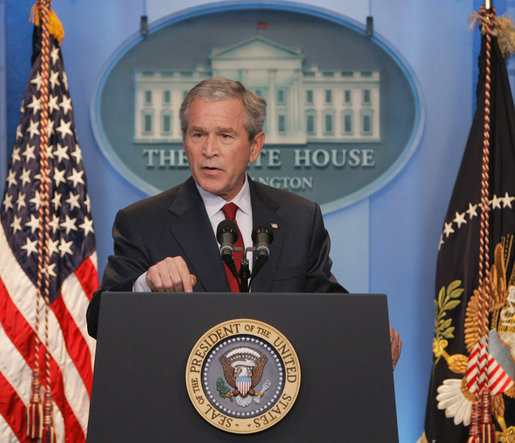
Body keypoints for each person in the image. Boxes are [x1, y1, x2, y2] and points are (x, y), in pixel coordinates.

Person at [86, 77, 401, 368]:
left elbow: (327, 311)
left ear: (255, 146)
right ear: (184, 140)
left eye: (225, 136)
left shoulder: (298, 218)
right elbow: (100, 320)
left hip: (279, 410)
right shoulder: (143, 222)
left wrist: (367, 339)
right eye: (198, 135)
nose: (209, 151)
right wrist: (144, 285)